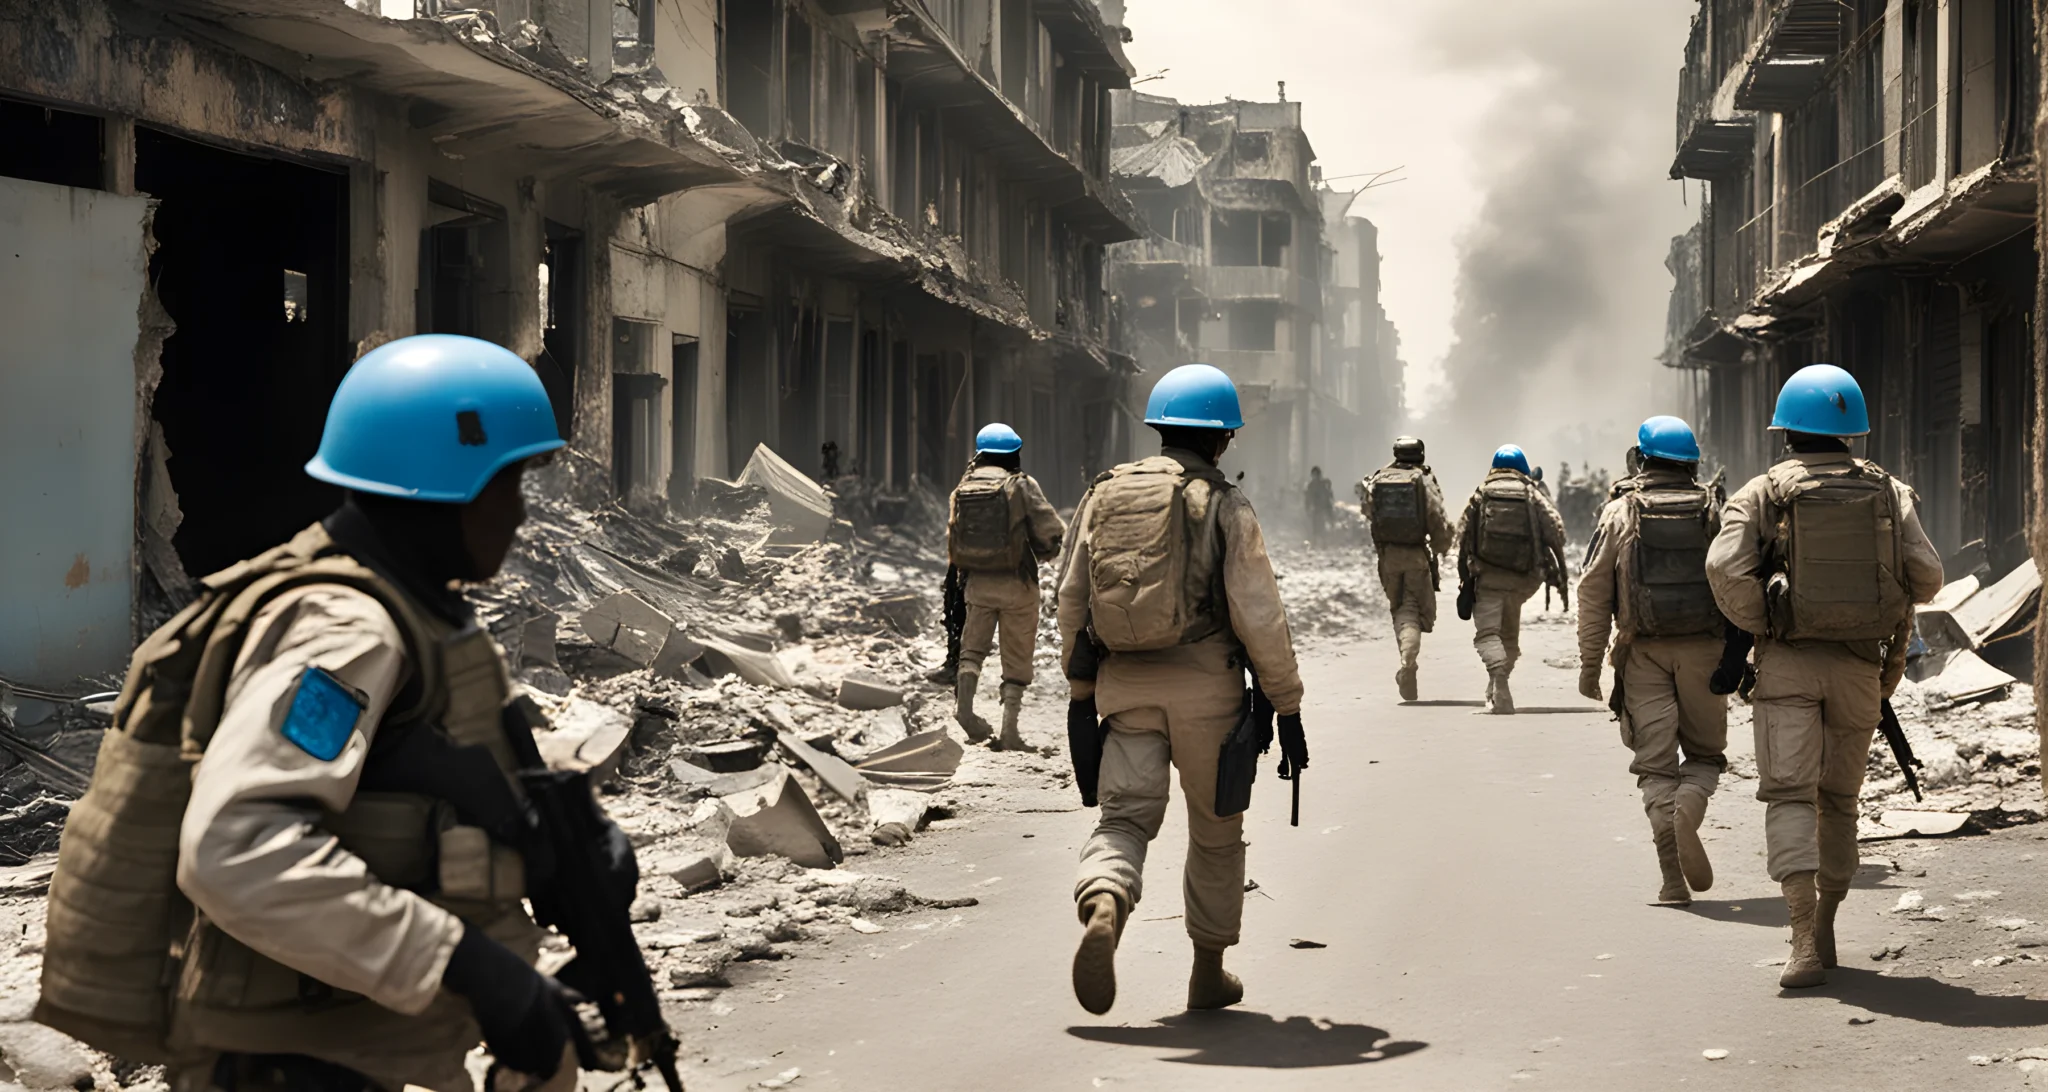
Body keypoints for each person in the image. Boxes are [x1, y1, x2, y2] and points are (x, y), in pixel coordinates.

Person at [36, 335, 599, 1091]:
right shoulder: (345, 632)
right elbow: (237, 848)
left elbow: (417, 761)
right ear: (445, 485)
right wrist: (466, 965)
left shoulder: (411, 607)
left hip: (347, 1038)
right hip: (292, 1060)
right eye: (508, 485)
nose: (521, 513)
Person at [1059, 363, 1305, 1016]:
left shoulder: (1105, 493)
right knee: (1217, 833)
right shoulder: (1224, 502)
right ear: (1222, 440)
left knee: (1124, 819)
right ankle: (1207, 972)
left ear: (1159, 428)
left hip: (1124, 690)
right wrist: (1286, 704)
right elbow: (1259, 614)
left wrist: (1083, 689)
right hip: (1209, 697)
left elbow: (1073, 599)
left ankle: (1106, 898)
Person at [1706, 364, 1942, 991]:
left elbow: (1725, 571)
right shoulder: (1891, 492)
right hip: (1862, 669)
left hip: (1786, 665)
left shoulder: (1761, 493)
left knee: (1788, 795)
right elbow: (1929, 578)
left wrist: (1773, 621)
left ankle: (1802, 939)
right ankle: (1830, 922)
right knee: (1838, 801)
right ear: (1853, 432)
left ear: (1786, 430)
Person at [1577, 416, 1728, 907]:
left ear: (1640, 459)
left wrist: (1589, 663)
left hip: (1642, 653)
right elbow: (1738, 580)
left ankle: (1671, 881)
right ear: (1692, 463)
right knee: (1704, 757)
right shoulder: (1714, 509)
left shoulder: (1621, 511)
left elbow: (1593, 591)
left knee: (1655, 768)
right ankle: (1690, 806)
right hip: (1706, 650)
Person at [948, 422, 1066, 752]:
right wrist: (1044, 553)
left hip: (977, 583)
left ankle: (966, 710)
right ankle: (1010, 730)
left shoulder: (965, 486)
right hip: (1017, 584)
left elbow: (954, 537)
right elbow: (1050, 530)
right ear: (1014, 453)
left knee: (972, 648)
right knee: (1017, 655)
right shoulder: (1021, 485)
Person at [1457, 444, 1567, 715]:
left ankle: (1499, 679)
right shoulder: (1531, 493)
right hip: (1522, 580)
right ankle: (1498, 682)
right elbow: (1557, 533)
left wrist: (1465, 573)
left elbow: (1461, 534)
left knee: (1487, 634)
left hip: (1488, 577)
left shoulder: (1482, 493)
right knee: (1509, 637)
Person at [1358, 436, 1453, 701]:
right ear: (1420, 455)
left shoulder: (1379, 479)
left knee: (1400, 609)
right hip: (1416, 557)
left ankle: (1406, 662)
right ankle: (1407, 663)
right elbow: (1438, 520)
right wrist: (1442, 546)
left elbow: (1367, 511)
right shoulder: (1423, 480)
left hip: (1388, 558)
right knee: (1413, 609)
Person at [1304, 466, 1334, 547]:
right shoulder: (1312, 485)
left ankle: (1323, 543)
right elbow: (1308, 497)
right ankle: (1316, 543)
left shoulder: (1322, 484)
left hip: (1322, 508)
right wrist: (1308, 507)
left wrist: (1329, 507)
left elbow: (1328, 495)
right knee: (1316, 526)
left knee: (1321, 526)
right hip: (1317, 508)